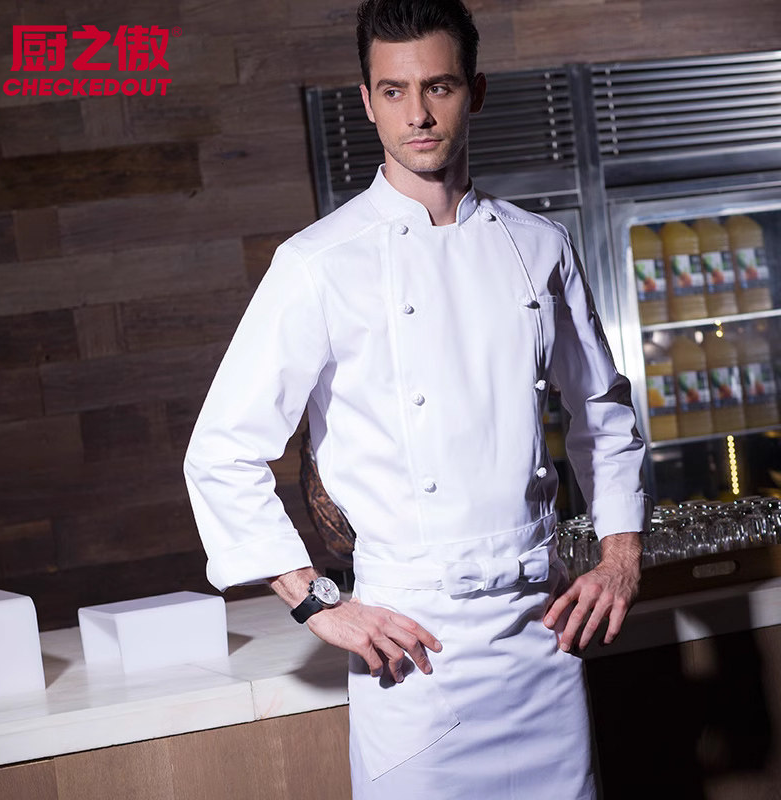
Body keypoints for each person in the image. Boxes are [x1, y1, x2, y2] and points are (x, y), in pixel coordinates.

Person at [184, 1, 652, 797]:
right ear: (367, 103)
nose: (419, 115)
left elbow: (604, 415)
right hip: (412, 646)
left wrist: (621, 558)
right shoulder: (318, 263)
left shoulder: (540, 245)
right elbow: (221, 453)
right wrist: (316, 604)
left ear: (475, 91)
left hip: (539, 636)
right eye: (394, 92)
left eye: (438, 87)